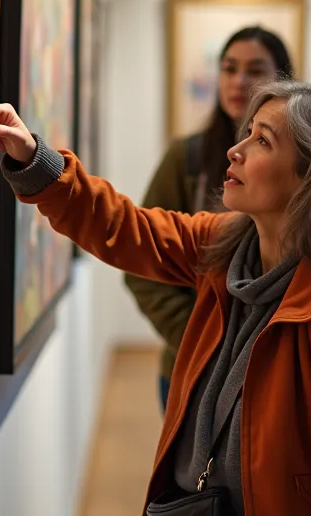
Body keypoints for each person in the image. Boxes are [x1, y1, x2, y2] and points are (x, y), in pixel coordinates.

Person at [0, 81, 311, 515]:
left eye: (262, 140)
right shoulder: (225, 245)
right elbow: (124, 228)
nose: (235, 150)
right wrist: (33, 159)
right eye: (247, 132)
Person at [125, 26, 294, 411]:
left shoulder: (305, 162)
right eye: (229, 68)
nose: (239, 81)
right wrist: (201, 334)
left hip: (276, 363)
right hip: (195, 363)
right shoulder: (187, 158)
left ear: (283, 78)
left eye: (255, 69)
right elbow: (142, 259)